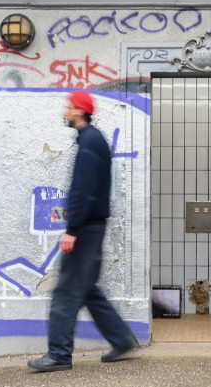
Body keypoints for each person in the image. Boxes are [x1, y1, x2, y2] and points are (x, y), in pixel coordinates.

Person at [28, 90, 140, 372]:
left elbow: (83, 190)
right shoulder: (94, 140)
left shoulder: (89, 141)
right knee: (87, 289)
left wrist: (72, 229)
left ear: (79, 110)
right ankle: (122, 338)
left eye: (68, 108)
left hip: (86, 228)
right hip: (93, 227)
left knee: (66, 292)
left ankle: (59, 354)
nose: (65, 112)